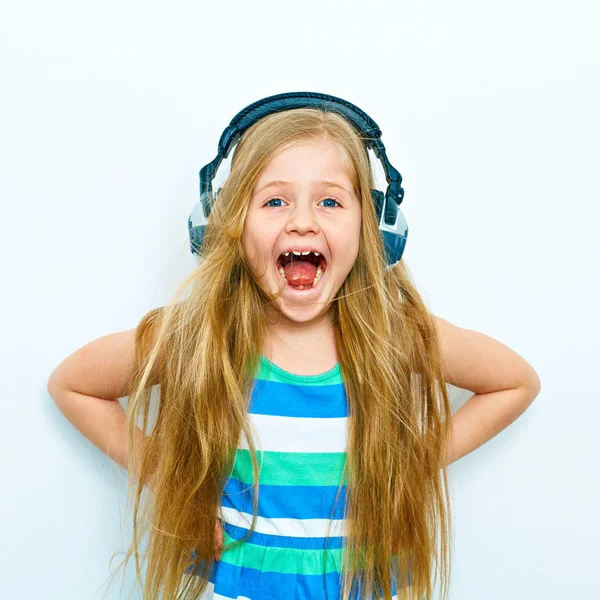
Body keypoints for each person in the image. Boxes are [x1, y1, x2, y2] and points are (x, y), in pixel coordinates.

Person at [47, 92, 541, 600]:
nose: (302, 221)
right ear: (229, 224)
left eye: (330, 201)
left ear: (373, 229)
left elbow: (514, 381)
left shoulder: (396, 336)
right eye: (275, 200)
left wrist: (410, 464)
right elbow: (74, 385)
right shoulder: (201, 335)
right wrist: (172, 484)